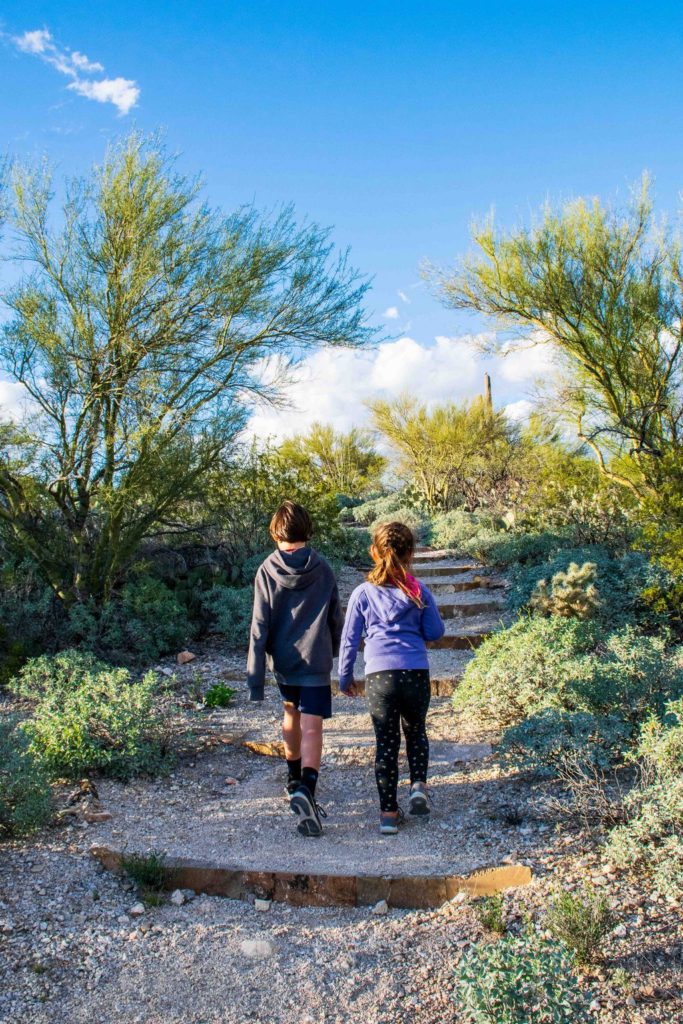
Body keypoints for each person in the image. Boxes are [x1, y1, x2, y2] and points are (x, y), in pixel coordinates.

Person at [337, 521, 445, 835]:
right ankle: (418, 787)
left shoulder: (362, 593)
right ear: (411, 553)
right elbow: (436, 631)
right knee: (415, 732)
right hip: (415, 673)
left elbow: (349, 640)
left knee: (385, 743)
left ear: (374, 551)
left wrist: (345, 678)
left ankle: (388, 814)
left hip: (379, 677)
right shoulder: (417, 590)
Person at [247, 500, 343, 837]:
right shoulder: (324, 568)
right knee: (313, 725)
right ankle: (308, 786)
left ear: (276, 533)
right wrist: (334, 653)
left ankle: (292, 776)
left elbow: (259, 625)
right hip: (316, 660)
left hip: (285, 662)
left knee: (291, 713)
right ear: (307, 531)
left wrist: (255, 677)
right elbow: (335, 616)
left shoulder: (266, 570)